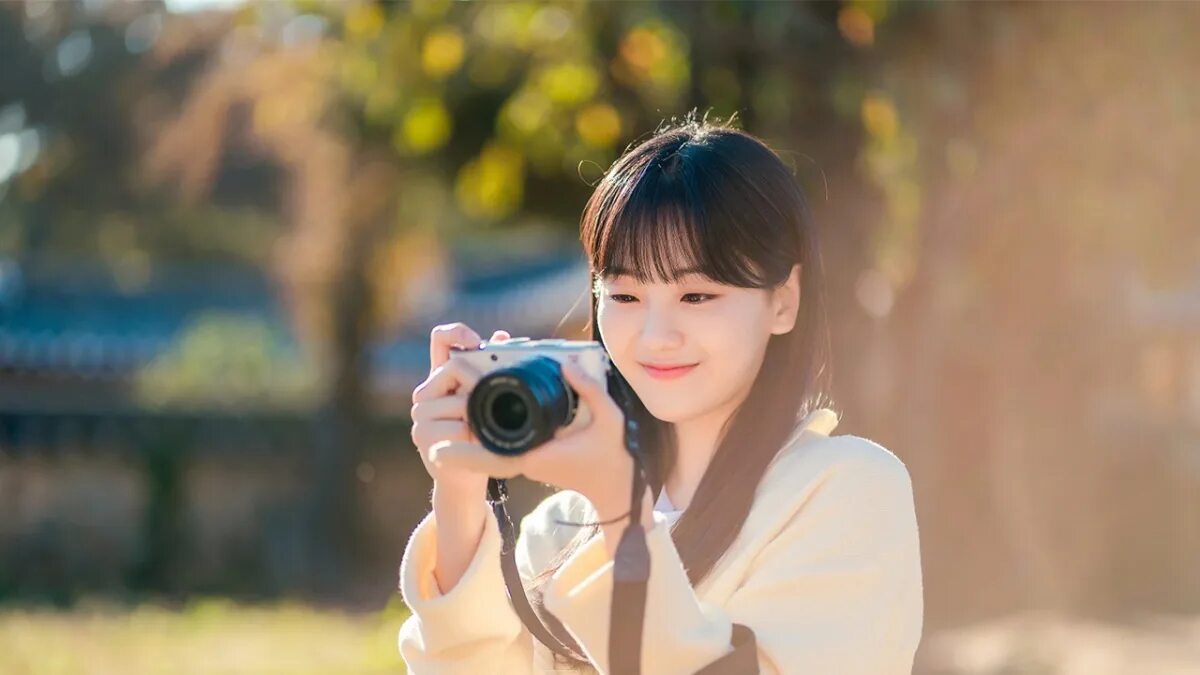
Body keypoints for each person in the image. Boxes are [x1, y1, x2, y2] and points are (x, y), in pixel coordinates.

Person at [397, 113, 924, 674]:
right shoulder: (562, 527)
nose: (655, 336)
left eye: (697, 296)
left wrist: (622, 510)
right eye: (624, 296)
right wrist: (460, 492)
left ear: (783, 300)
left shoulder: (845, 490)